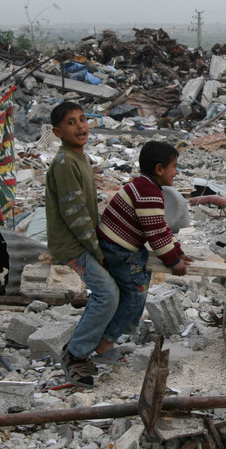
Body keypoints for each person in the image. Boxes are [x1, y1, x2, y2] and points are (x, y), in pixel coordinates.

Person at [45, 101, 118, 388]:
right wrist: (98, 251)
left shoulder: (79, 158)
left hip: (85, 241)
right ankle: (75, 355)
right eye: (71, 122)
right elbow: (74, 214)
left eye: (83, 119)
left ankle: (100, 343)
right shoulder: (64, 163)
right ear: (57, 131)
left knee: (114, 288)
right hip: (72, 245)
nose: (80, 126)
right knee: (107, 294)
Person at [97, 140, 193, 359]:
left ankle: (114, 334)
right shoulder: (148, 192)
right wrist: (173, 261)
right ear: (159, 169)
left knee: (135, 290)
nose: (177, 172)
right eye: (174, 166)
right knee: (134, 298)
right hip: (119, 250)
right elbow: (156, 234)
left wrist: (177, 250)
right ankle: (105, 343)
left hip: (119, 246)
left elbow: (160, 226)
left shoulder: (145, 186)